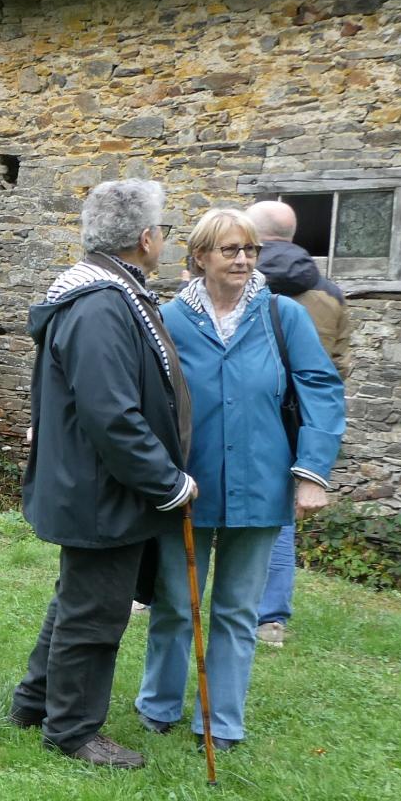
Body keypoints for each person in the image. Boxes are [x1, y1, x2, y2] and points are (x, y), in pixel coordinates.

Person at [136, 208, 346, 750]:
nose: (243, 259)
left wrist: (313, 474)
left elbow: (322, 389)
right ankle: (158, 704)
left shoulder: (282, 316)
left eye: (249, 249)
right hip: (187, 484)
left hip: (260, 483)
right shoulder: (168, 320)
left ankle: (220, 721)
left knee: (236, 610)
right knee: (176, 603)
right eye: (230, 250)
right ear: (200, 257)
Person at [12, 179, 198, 771]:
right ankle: (72, 732)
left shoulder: (112, 294)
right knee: (95, 614)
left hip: (96, 485)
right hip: (101, 489)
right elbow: (110, 414)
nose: (164, 239)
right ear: (145, 238)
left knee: (79, 600)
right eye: (163, 230)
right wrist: (166, 482)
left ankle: (34, 705)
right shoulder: (101, 304)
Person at [248, 199, 353, 647]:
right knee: (278, 516)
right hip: (294, 420)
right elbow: (340, 364)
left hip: (237, 407)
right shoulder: (328, 293)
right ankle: (269, 620)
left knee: (195, 496)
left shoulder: (227, 280)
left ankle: (160, 594)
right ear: (293, 234)